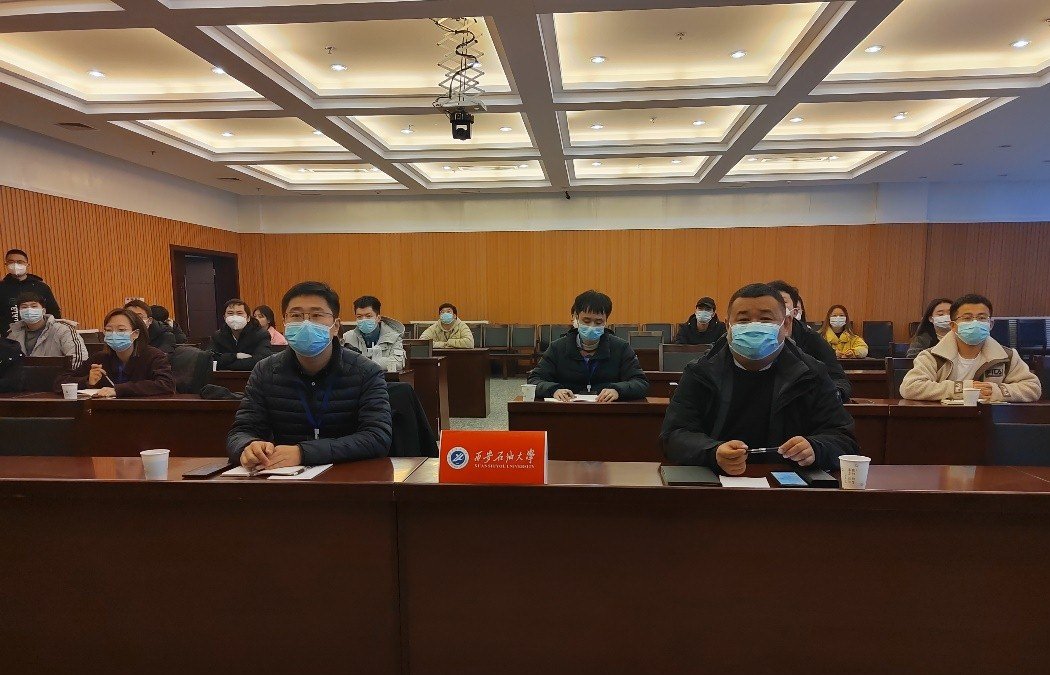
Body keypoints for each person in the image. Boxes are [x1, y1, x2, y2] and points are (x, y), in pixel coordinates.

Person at [661, 283, 858, 474]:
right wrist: (713, 452)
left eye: (765, 319)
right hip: (717, 482)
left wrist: (815, 448)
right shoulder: (701, 372)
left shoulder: (811, 374)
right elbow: (673, 436)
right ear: (728, 325)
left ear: (786, 324)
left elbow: (844, 439)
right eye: (743, 320)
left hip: (789, 485)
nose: (754, 327)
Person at [227, 281, 393, 469]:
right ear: (284, 323)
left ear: (336, 326)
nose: (306, 323)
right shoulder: (264, 371)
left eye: (316, 315)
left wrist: (303, 453)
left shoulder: (366, 372)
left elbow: (378, 437)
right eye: (296, 315)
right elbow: (241, 431)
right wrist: (248, 446)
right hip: (283, 478)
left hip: (349, 478)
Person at [900, 294, 1041, 402]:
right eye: (967, 318)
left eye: (982, 318)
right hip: (943, 421)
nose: (975, 323)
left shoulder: (1007, 357)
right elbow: (910, 387)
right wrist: (964, 388)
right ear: (953, 326)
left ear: (991, 324)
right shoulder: (931, 356)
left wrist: (994, 391)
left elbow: (1033, 388)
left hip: (990, 422)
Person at [528, 290, 649, 402]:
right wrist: (554, 390)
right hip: (567, 410)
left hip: (607, 411)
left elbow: (641, 383)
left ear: (606, 321)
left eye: (598, 322)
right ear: (576, 318)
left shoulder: (621, 348)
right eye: (586, 321)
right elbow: (534, 380)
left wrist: (618, 390)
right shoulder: (557, 348)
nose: (592, 326)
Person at [57, 308, 175, 398]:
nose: (114, 334)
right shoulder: (100, 358)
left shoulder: (154, 356)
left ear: (135, 334)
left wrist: (118, 390)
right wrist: (87, 381)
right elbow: (60, 382)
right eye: (109, 330)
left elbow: (166, 384)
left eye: (121, 330)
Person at [766, 280, 851, 401]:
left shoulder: (812, 339)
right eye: (771, 301)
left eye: (783, 301)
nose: (776, 306)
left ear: (795, 312)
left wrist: (831, 396)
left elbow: (839, 379)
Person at [6, 291, 87, 369]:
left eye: (34, 306)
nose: (29, 310)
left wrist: (64, 376)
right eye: (24, 307)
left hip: (57, 376)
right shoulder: (13, 334)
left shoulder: (62, 330)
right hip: (23, 377)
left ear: (43, 311)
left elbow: (79, 358)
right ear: (19, 312)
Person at [0, 248, 61, 336]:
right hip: (9, 338)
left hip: (40, 337)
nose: (15, 265)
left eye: (20, 262)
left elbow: (54, 312)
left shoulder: (41, 287)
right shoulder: (2, 287)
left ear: (27, 264)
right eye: (11, 262)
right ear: (6, 264)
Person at [343, 295, 406, 371]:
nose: (363, 320)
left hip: (383, 378)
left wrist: (366, 363)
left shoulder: (394, 337)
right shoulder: (347, 337)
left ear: (378, 318)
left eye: (368, 316)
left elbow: (398, 363)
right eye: (359, 317)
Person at [207, 298, 271, 371]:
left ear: (248, 318)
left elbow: (262, 360)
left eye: (239, 313)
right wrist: (235, 356)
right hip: (224, 376)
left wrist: (224, 363)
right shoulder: (218, 335)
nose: (235, 317)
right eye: (230, 313)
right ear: (224, 318)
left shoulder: (261, 334)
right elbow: (209, 359)